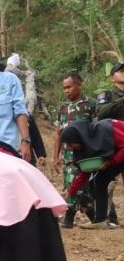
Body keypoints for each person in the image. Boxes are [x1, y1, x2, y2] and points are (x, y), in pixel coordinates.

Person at [61, 119, 124, 229]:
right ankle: (100, 221)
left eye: (71, 144)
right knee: (100, 180)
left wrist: (111, 161)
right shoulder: (86, 144)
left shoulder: (105, 130)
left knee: (101, 178)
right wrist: (70, 191)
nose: (70, 148)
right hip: (118, 155)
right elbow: (85, 172)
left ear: (78, 138)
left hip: (120, 151)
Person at [54, 73, 96, 228]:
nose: (66, 91)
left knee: (75, 184)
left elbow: (97, 129)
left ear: (79, 85)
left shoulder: (91, 104)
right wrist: (56, 156)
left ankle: (69, 219)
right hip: (67, 155)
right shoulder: (63, 108)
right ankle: (94, 217)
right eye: (64, 88)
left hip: (85, 155)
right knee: (76, 185)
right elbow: (58, 133)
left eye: (69, 87)